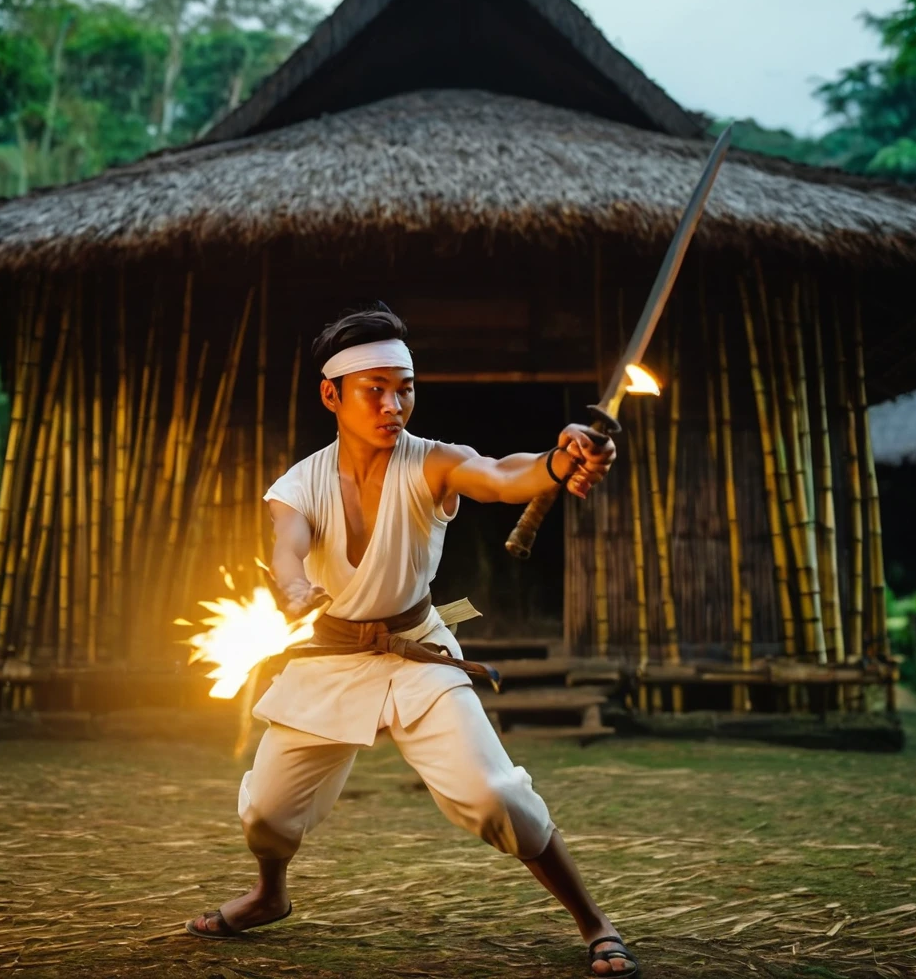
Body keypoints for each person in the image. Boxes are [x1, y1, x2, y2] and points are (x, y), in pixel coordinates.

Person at [187, 302, 637, 976]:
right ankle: (269, 894)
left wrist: (555, 460)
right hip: (329, 660)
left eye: (406, 388)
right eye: (377, 390)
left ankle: (594, 920)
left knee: (496, 797)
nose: (394, 405)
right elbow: (287, 546)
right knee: (267, 815)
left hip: (417, 653)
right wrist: (292, 588)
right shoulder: (299, 484)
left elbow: (500, 475)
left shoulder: (433, 464)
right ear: (332, 395)